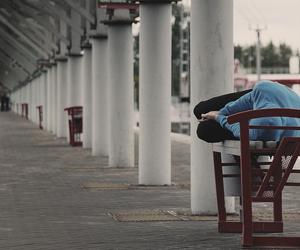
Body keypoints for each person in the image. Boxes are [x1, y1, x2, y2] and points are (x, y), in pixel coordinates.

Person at [194, 80, 300, 143]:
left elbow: (240, 128)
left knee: (203, 125)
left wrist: (218, 116)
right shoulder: (261, 91)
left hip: (277, 92)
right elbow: (241, 106)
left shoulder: (260, 132)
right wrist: (220, 114)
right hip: (276, 98)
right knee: (201, 116)